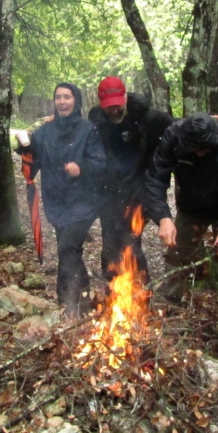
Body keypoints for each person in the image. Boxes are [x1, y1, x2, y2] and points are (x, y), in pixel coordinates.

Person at [144, 113, 218, 334]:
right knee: (177, 256)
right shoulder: (174, 137)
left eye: (204, 148)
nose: (199, 153)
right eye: (194, 149)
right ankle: (167, 310)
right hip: (190, 208)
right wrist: (163, 217)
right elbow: (155, 179)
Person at [23, 83, 105, 317]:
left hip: (84, 202)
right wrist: (24, 146)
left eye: (67, 97)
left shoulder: (88, 129)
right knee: (70, 251)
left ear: (75, 101)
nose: (62, 102)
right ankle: (85, 301)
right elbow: (33, 157)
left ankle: (67, 304)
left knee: (67, 247)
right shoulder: (46, 131)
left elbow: (101, 163)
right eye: (58, 97)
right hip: (56, 201)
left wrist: (82, 168)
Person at [86, 76, 173, 283]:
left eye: (117, 105)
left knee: (130, 242)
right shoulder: (96, 118)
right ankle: (112, 294)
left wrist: (209, 119)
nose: (113, 110)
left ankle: (143, 293)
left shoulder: (147, 117)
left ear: (125, 97)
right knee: (109, 244)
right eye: (108, 106)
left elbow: (176, 126)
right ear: (100, 103)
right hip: (110, 192)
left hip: (139, 189)